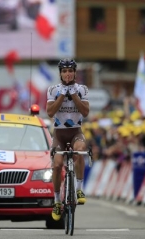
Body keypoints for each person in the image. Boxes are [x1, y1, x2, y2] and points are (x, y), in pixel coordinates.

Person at [46, 58, 90, 221]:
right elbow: (50, 113)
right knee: (57, 165)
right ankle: (57, 201)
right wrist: (62, 95)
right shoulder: (53, 89)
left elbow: (85, 112)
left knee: (79, 151)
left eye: (70, 71)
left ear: (74, 73)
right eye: (64, 71)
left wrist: (72, 94)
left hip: (75, 132)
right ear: (60, 74)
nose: (67, 74)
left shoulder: (82, 89)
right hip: (59, 134)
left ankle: (79, 188)